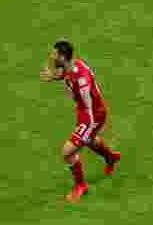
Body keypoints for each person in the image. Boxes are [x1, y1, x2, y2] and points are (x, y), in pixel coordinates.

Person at [40, 40, 121, 202]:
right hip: (85, 113)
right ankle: (110, 157)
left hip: (91, 116)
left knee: (67, 152)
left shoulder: (82, 80)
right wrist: (54, 77)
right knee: (89, 141)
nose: (52, 56)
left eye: (55, 54)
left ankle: (80, 186)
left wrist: (87, 129)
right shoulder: (75, 65)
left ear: (63, 58)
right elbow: (67, 74)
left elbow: (89, 107)